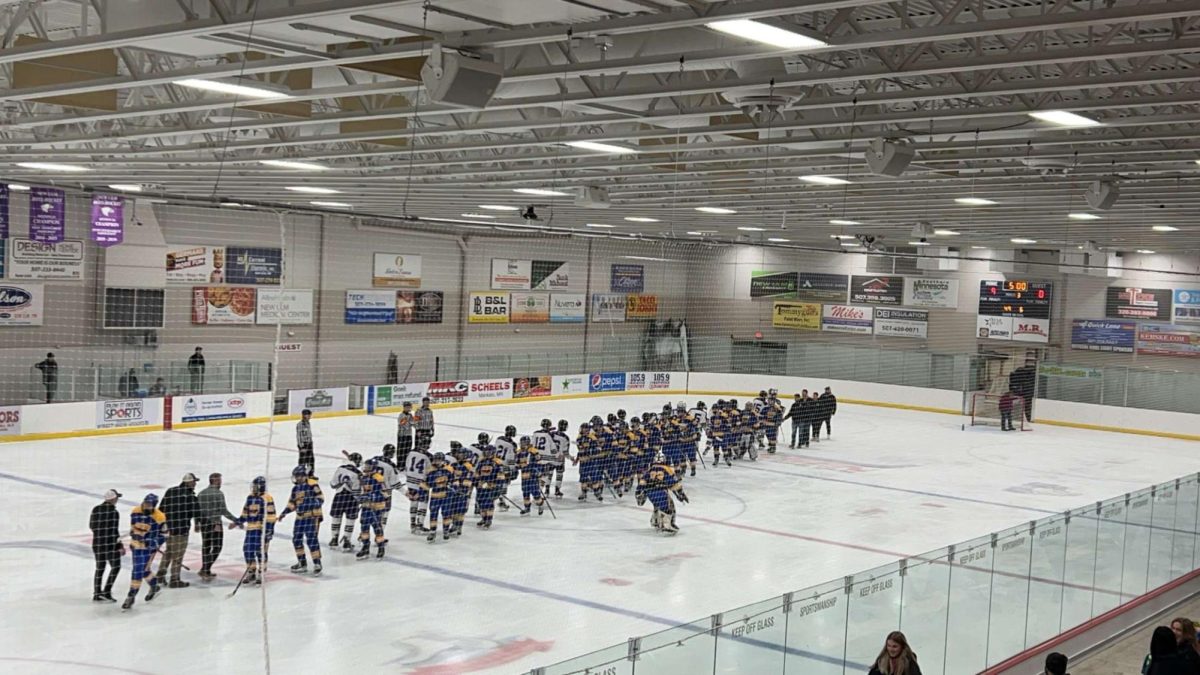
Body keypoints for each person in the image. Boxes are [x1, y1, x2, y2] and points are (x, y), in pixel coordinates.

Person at [229, 476, 276, 586]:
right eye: (253, 486)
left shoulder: (267, 498)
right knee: (247, 550)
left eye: (256, 486)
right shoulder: (250, 498)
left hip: (261, 530)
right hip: (251, 530)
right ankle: (251, 571)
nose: (253, 488)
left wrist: (268, 531)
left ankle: (261, 573)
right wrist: (237, 522)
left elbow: (271, 516)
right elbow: (245, 514)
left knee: (261, 552)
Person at [121, 493, 165, 610]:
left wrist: (152, 542)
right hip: (136, 547)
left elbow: (164, 535)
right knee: (144, 570)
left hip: (148, 550)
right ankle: (155, 586)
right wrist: (134, 534)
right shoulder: (135, 511)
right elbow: (133, 527)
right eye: (146, 503)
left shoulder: (160, 517)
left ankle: (131, 596)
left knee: (137, 571)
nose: (146, 506)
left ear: (154, 505)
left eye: (150, 504)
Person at [278, 466, 325, 573]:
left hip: (312, 517)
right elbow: (292, 503)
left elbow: (321, 498)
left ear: (304, 475)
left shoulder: (312, 485)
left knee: (311, 540)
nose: (297, 478)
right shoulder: (295, 489)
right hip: (300, 518)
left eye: (299, 476)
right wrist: (284, 513)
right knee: (296, 539)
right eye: (296, 476)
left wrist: (310, 505)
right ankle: (302, 562)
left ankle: (317, 563)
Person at [156, 473, 199, 589]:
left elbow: (161, 508)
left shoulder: (171, 491)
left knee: (169, 551)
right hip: (182, 529)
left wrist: (161, 525)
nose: (195, 484)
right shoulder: (191, 497)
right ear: (189, 482)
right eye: (194, 481)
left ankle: (160, 574)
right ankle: (175, 579)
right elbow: (196, 513)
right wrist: (197, 524)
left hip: (169, 528)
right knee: (178, 555)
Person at [196, 473, 240, 580]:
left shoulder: (201, 493)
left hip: (203, 523)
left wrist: (196, 523)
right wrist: (236, 520)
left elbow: (196, 510)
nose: (221, 482)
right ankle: (205, 569)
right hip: (215, 523)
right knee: (217, 546)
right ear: (215, 481)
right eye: (219, 480)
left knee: (206, 546)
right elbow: (223, 510)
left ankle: (205, 569)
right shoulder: (218, 494)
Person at [635, 454, 687, 534]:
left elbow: (642, 482)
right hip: (660, 492)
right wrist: (681, 494)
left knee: (657, 505)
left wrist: (639, 493)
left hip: (650, 492)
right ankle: (666, 525)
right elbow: (674, 484)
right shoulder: (667, 469)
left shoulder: (650, 469)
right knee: (669, 506)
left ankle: (655, 521)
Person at [89, 489, 124, 602]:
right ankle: (107, 591)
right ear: (113, 499)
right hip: (109, 544)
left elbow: (91, 526)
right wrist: (119, 546)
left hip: (97, 543)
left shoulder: (96, 509)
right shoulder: (114, 512)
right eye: (117, 498)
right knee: (116, 566)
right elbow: (114, 530)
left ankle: (97, 592)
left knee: (100, 567)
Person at [329, 452, 363, 549]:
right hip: (351, 498)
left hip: (339, 496)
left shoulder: (340, 468)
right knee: (350, 519)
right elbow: (356, 490)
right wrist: (360, 500)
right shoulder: (357, 473)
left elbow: (332, 484)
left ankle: (334, 539)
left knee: (336, 517)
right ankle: (347, 541)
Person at [422, 452, 455, 542]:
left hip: (446, 496)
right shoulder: (429, 470)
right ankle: (432, 531)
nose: (436, 462)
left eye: (438, 460)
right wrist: (428, 490)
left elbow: (453, 481)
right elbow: (423, 483)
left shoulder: (449, 469)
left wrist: (451, 486)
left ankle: (446, 530)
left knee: (446, 514)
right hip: (435, 495)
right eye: (435, 459)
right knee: (433, 514)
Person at [473, 445, 507, 529]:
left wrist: (494, 484)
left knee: (488, 503)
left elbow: (501, 477)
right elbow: (476, 474)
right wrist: (477, 482)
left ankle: (489, 520)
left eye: (489, 452)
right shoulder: (481, 462)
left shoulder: (498, 462)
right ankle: (484, 518)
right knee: (480, 503)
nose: (487, 454)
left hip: (492, 487)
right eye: (486, 452)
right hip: (482, 487)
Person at [515, 436, 546, 516]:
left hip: (533, 476)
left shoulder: (533, 451)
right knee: (525, 492)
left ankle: (540, 503)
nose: (522, 444)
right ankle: (527, 508)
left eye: (524, 443)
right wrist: (518, 466)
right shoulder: (518, 452)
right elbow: (516, 463)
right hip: (524, 476)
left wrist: (538, 471)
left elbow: (540, 463)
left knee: (535, 493)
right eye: (521, 443)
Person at [550, 419, 572, 498]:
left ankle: (546, 489)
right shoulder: (565, 438)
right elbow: (565, 452)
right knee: (559, 474)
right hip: (560, 459)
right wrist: (571, 458)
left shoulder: (551, 434)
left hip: (550, 458)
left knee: (549, 474)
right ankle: (557, 490)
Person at [296, 409, 314, 475]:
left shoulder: (308, 423)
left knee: (311, 460)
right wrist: (301, 447)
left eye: (310, 415)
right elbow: (299, 436)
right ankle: (301, 474)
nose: (309, 416)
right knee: (303, 461)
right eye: (308, 415)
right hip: (304, 445)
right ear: (304, 415)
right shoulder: (300, 424)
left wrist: (311, 442)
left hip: (309, 444)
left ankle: (310, 474)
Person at [396, 401, 414, 465]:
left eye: (409, 407)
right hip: (402, 435)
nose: (408, 408)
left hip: (409, 434)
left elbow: (413, 423)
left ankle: (406, 463)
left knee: (408, 450)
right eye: (407, 407)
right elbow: (404, 425)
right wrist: (410, 422)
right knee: (401, 451)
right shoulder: (401, 415)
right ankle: (400, 464)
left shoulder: (410, 415)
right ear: (404, 407)